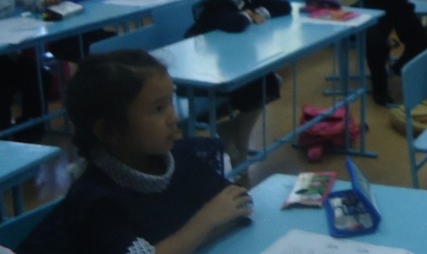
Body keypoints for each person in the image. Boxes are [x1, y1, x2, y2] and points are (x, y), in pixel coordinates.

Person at [18, 50, 253, 254]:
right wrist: (206, 221)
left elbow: (240, 205)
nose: (173, 118)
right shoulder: (97, 201)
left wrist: (185, 241)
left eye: (170, 102)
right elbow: (217, 214)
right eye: (158, 109)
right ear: (110, 131)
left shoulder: (181, 157)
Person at [184, 0, 292, 169]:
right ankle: (239, 142)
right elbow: (235, 23)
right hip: (207, 73)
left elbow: (284, 6)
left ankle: (235, 135)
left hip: (234, 63)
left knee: (270, 81)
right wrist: (252, 15)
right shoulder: (217, 4)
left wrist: (260, 11)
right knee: (266, 83)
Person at [0, 0, 61, 142]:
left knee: (39, 77)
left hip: (8, 51)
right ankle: (4, 135)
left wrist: (47, 1)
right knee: (2, 87)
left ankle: (30, 133)